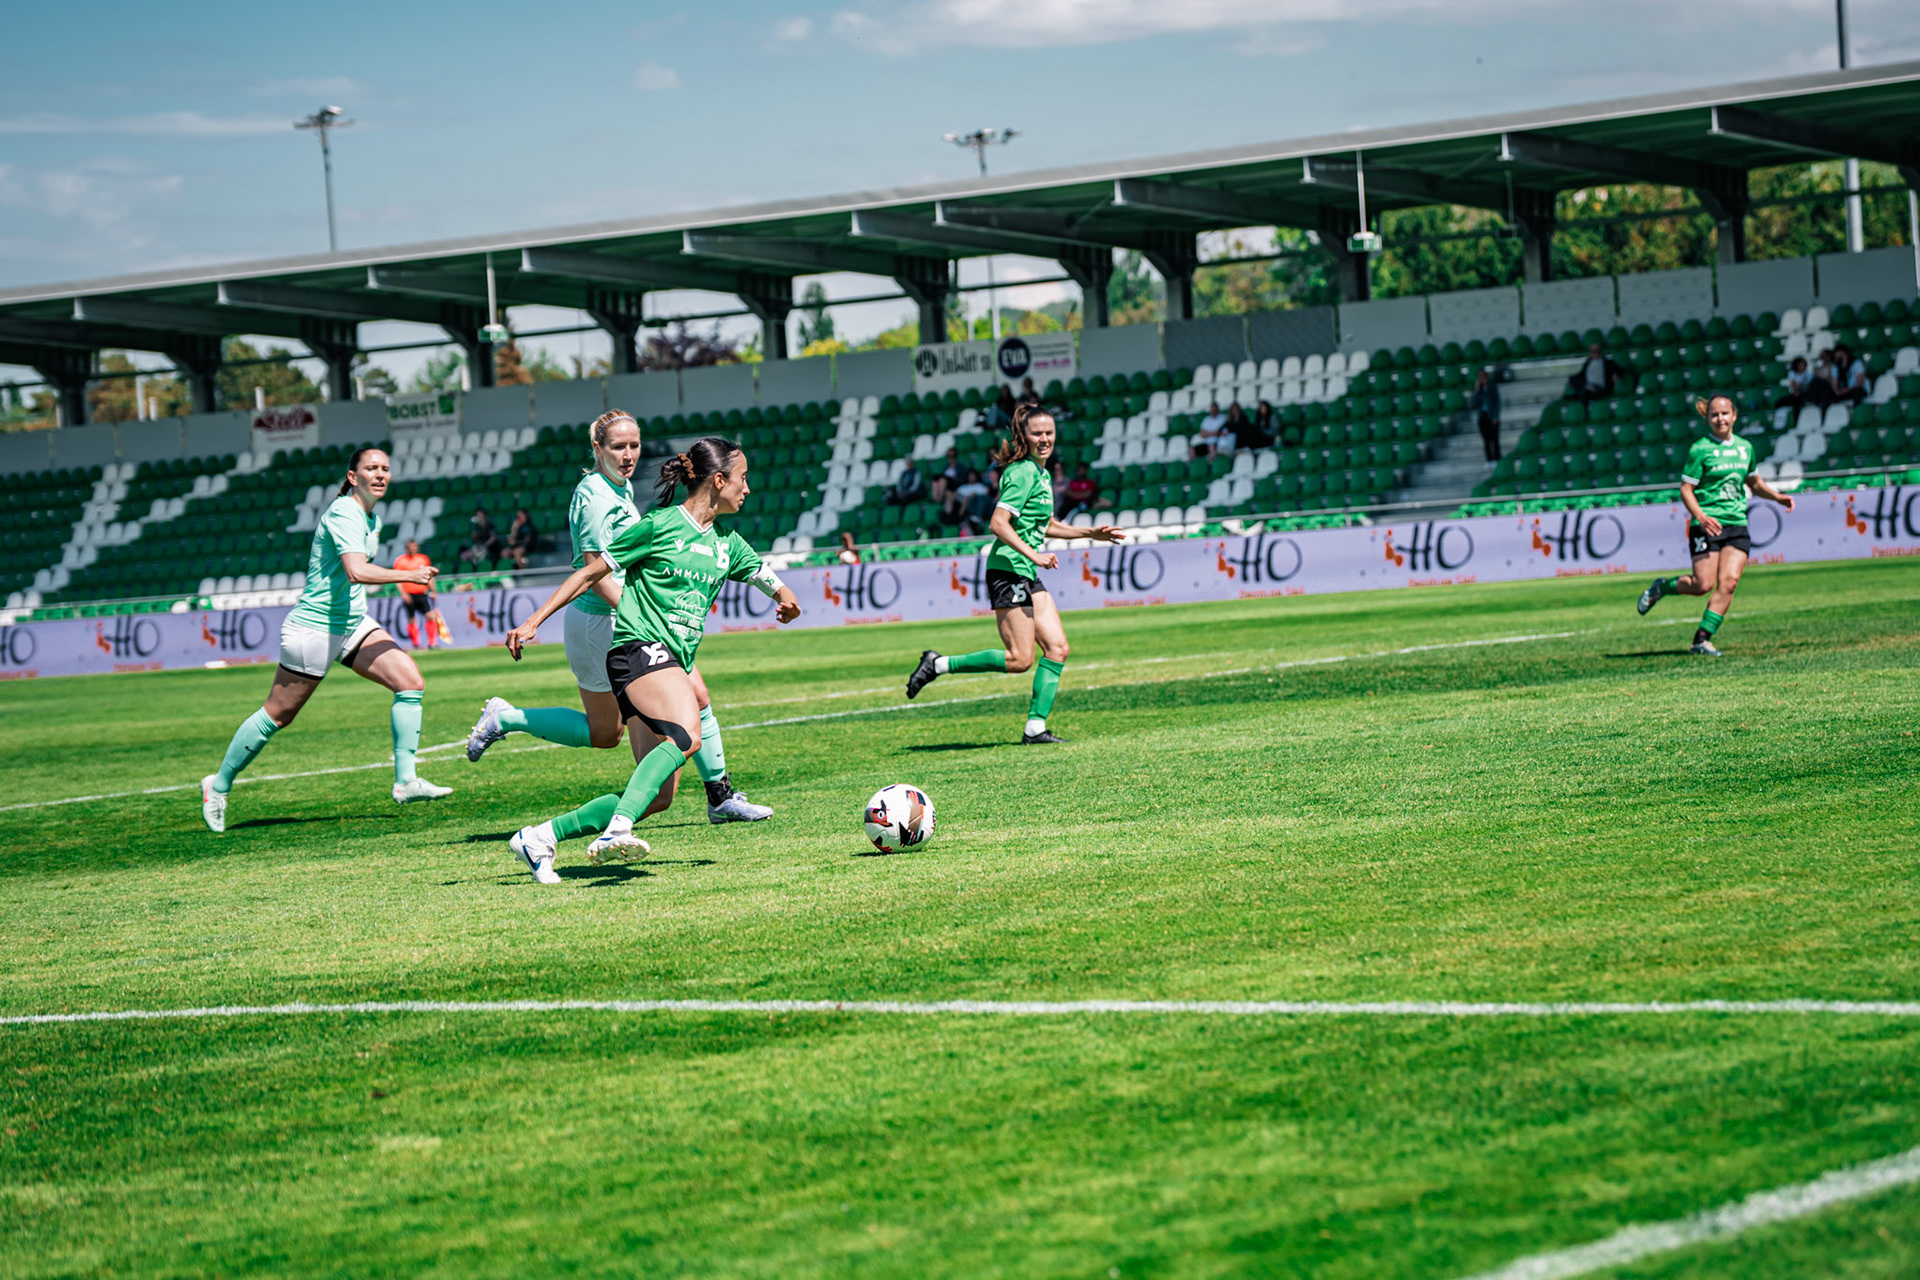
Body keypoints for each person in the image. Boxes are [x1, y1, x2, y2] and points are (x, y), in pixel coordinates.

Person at [500, 438, 802, 882]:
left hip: (667, 662)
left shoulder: (727, 543)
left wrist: (787, 598)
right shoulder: (660, 526)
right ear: (718, 481)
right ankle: (614, 832)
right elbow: (589, 572)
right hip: (635, 651)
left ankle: (540, 837)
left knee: (658, 796)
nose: (748, 489)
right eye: (743, 479)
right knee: (688, 733)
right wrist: (533, 621)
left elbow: (766, 576)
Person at [466, 411, 774, 824]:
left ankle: (508, 718)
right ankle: (715, 797)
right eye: (618, 447)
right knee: (676, 703)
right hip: (601, 624)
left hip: (618, 622)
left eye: (634, 446)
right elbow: (594, 571)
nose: (628, 455)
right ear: (597, 448)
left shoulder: (619, 488)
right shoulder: (593, 494)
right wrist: (644, 612)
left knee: (608, 732)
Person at [199, 447, 451, 832]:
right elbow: (355, 571)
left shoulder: (371, 517)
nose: (380, 474)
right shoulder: (343, 512)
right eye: (371, 468)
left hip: (350, 624)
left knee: (410, 683)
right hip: (313, 628)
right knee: (277, 716)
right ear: (353, 477)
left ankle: (405, 781)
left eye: (385, 468)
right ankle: (217, 786)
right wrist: (409, 577)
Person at [903, 404, 1125, 744]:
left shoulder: (1041, 473)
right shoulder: (1022, 472)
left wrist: (1088, 533)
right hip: (1008, 570)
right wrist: (1034, 554)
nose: (1045, 439)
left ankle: (1035, 728)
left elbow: (1045, 524)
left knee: (1057, 647)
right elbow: (998, 523)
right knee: (1020, 659)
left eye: (1049, 432)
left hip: (1024, 570)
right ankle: (938, 664)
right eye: (1038, 433)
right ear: (1024, 436)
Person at [1635, 393, 1796, 656]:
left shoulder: (1745, 448)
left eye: (1724, 413)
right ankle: (1661, 587)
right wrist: (1701, 515)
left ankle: (1701, 640)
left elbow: (1753, 483)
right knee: (1702, 585)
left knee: (1729, 582)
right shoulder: (1700, 449)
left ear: (1734, 415)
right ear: (1707, 418)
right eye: (1714, 415)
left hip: (1737, 523)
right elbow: (1686, 489)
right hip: (1707, 524)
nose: (1719, 418)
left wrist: (1777, 497)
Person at [393, 539, 438, 650]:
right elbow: (397, 579)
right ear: (406, 548)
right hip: (409, 594)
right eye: (410, 547)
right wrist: (403, 594)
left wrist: (433, 590)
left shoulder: (423, 559)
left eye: (414, 546)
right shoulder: (400, 561)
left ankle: (432, 643)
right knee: (412, 619)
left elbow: (429, 576)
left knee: (430, 616)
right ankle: (416, 644)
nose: (413, 549)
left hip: (421, 594)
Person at [1471, 367, 1502, 464]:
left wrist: (1495, 416)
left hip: (1491, 416)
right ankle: (1489, 460)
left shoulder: (1492, 388)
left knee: (1495, 439)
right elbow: (1474, 403)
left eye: (1483, 376)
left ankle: (1497, 458)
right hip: (1482, 417)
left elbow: (1497, 402)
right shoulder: (1479, 390)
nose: (1482, 378)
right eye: (1480, 376)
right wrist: (1476, 392)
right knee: (1486, 440)